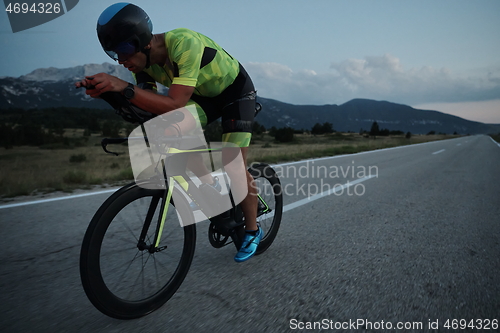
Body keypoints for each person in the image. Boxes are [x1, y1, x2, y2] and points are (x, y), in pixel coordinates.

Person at [75, 2, 261, 262]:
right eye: (114, 53)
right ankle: (211, 190)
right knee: (169, 130)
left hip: (235, 93)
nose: (122, 59)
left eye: (125, 49)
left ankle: (252, 230)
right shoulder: (143, 66)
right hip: (202, 98)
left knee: (233, 165)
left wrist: (123, 87)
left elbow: (174, 104)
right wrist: (109, 93)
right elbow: (150, 107)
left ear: (143, 41)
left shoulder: (184, 43)